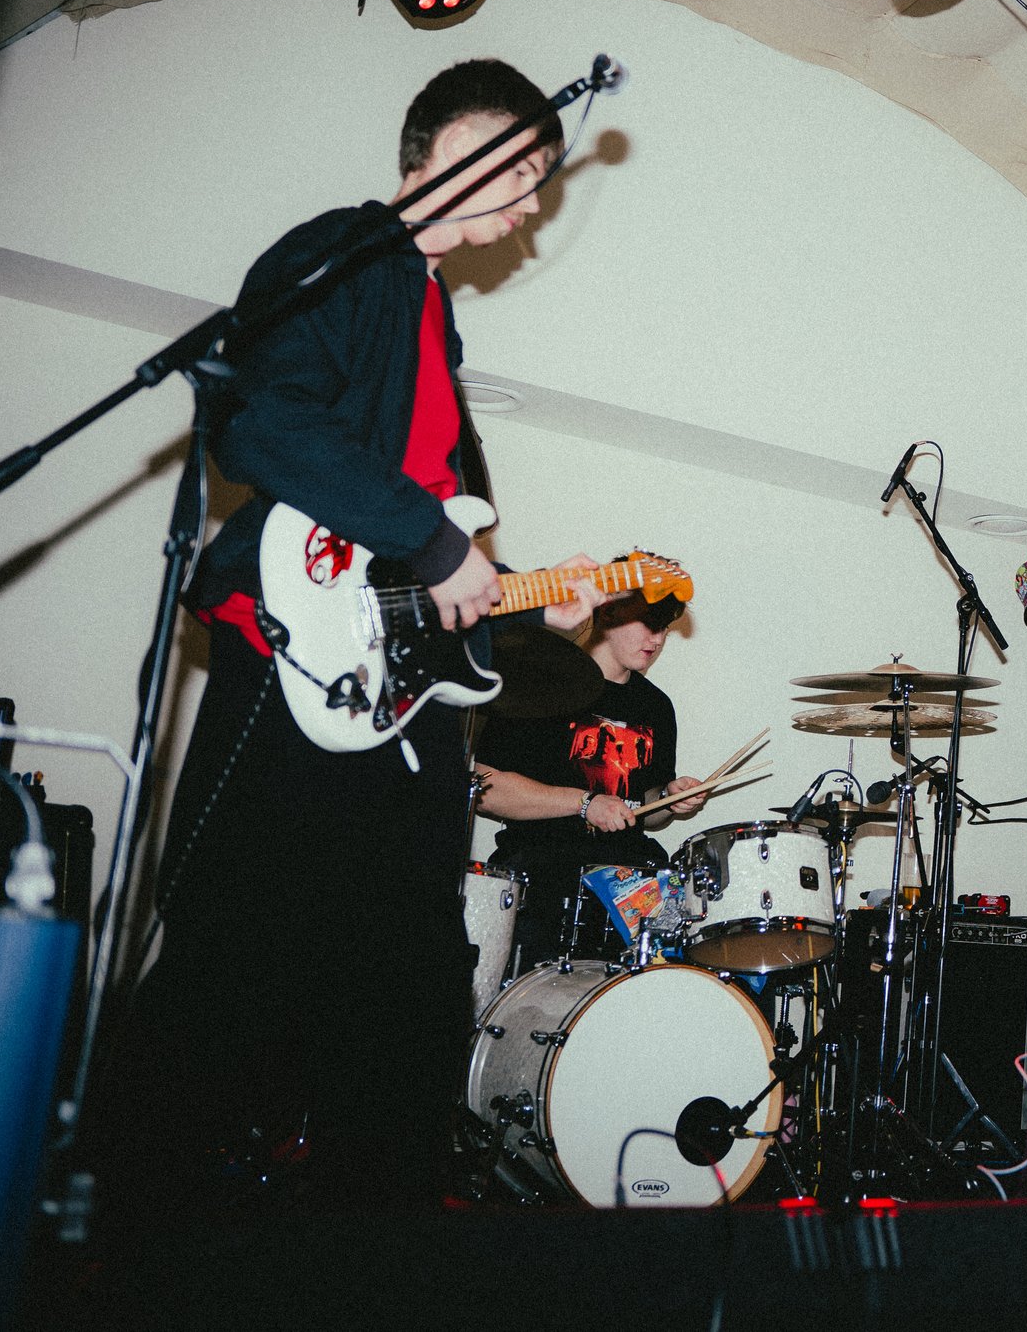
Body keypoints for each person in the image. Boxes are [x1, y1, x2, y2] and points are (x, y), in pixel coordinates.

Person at [96, 59, 608, 1222]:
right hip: (295, 676)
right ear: (445, 141)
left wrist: (518, 595)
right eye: (520, 169)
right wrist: (438, 546)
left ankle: (361, 1257)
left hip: (395, 708)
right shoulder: (353, 254)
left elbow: (425, 567)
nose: (529, 204)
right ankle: (118, 1241)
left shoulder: (435, 319)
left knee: (407, 996)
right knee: (233, 964)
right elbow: (261, 417)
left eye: (540, 184)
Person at [471, 582, 708, 962]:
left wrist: (669, 798)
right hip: (546, 869)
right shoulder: (538, 684)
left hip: (630, 878)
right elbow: (487, 787)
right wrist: (584, 804)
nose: (659, 639)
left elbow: (647, 811)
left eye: (665, 628)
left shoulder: (656, 706)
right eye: (650, 624)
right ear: (608, 612)